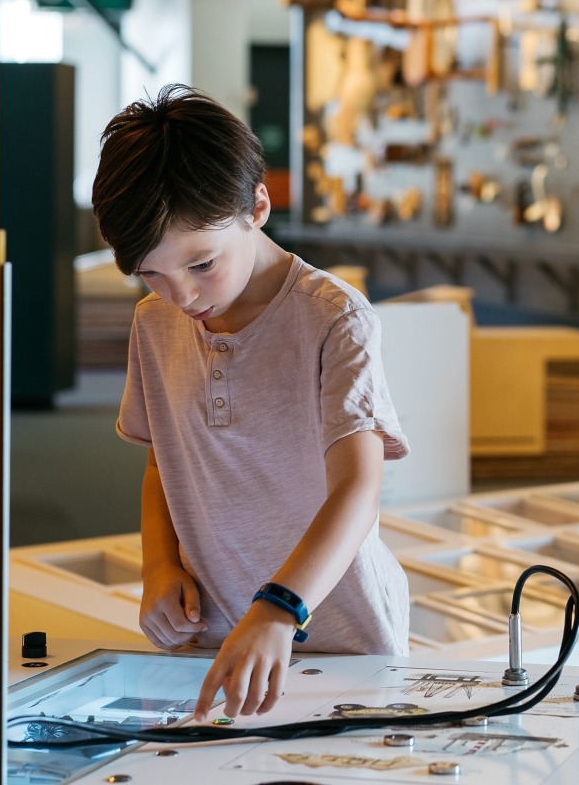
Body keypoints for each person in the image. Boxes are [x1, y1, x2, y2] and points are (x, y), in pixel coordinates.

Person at [91, 84, 410, 721]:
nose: (180, 294)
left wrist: (280, 607)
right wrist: (158, 566)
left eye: (202, 264)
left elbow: (357, 489)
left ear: (257, 205)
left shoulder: (334, 318)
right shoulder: (155, 324)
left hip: (340, 639)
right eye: (152, 274)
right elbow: (165, 461)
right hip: (210, 635)